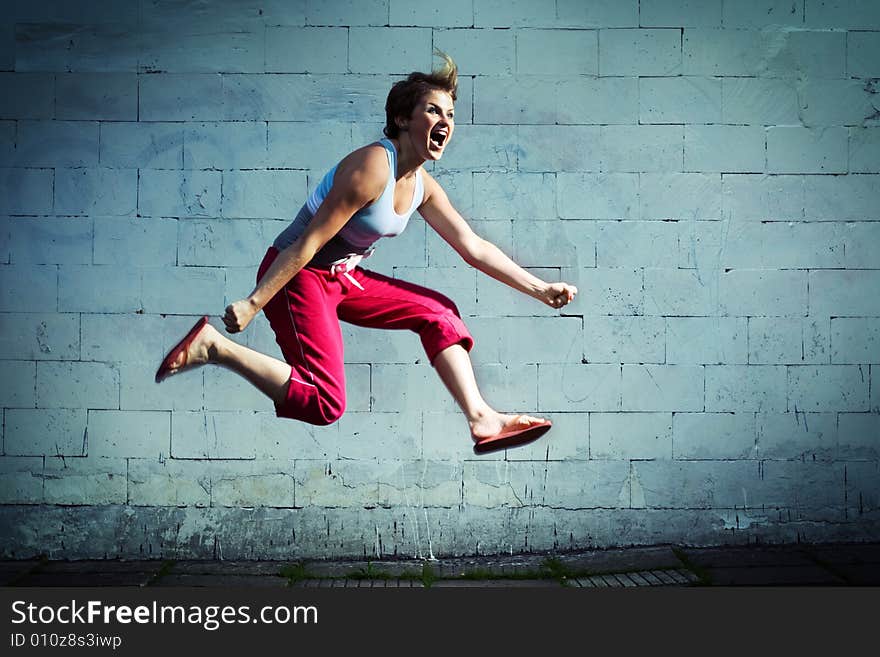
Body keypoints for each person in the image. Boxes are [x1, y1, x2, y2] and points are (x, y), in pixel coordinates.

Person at [155, 51, 578, 454]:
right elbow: (308, 243)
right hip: (296, 274)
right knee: (325, 403)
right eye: (433, 110)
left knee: (438, 312)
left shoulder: (422, 186)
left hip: (340, 276)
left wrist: (539, 289)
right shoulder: (373, 167)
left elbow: (474, 247)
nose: (444, 121)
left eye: (450, 114)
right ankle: (214, 348)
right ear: (401, 118)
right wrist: (253, 302)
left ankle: (482, 419)